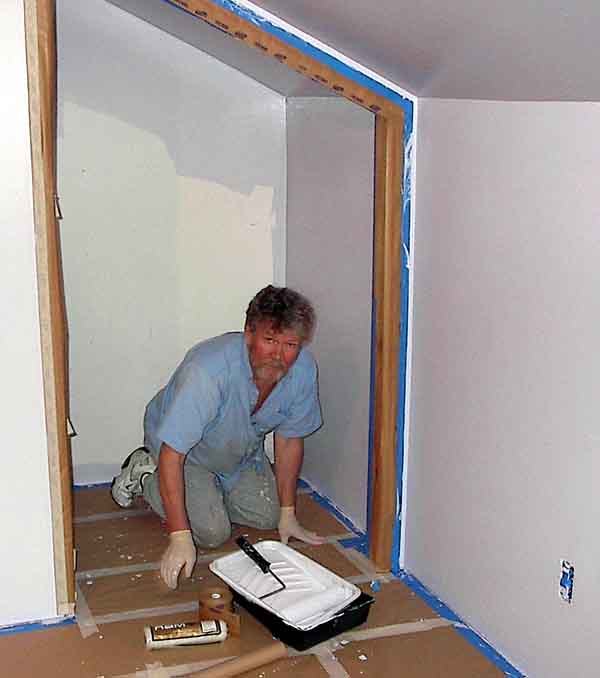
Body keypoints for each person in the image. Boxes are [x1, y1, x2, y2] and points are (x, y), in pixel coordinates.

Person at [111, 285, 325, 590]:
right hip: (186, 451)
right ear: (249, 333)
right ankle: (146, 473)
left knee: (269, 516)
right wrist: (179, 536)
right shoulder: (208, 371)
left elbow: (289, 440)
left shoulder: (302, 370)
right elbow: (173, 453)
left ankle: (209, 494)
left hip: (237, 451)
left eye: (290, 344)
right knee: (211, 532)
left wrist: (288, 514)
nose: (278, 355)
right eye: (269, 341)